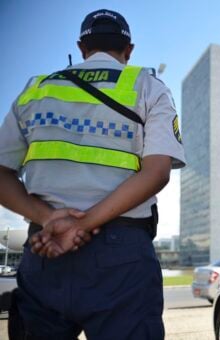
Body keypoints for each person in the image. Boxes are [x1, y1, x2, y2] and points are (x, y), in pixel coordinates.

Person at [0, 9, 185, 339]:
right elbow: (157, 173)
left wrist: (49, 219)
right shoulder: (147, 85)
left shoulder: (37, 90)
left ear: (82, 47)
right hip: (122, 252)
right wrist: (83, 224)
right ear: (128, 51)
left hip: (46, 247)